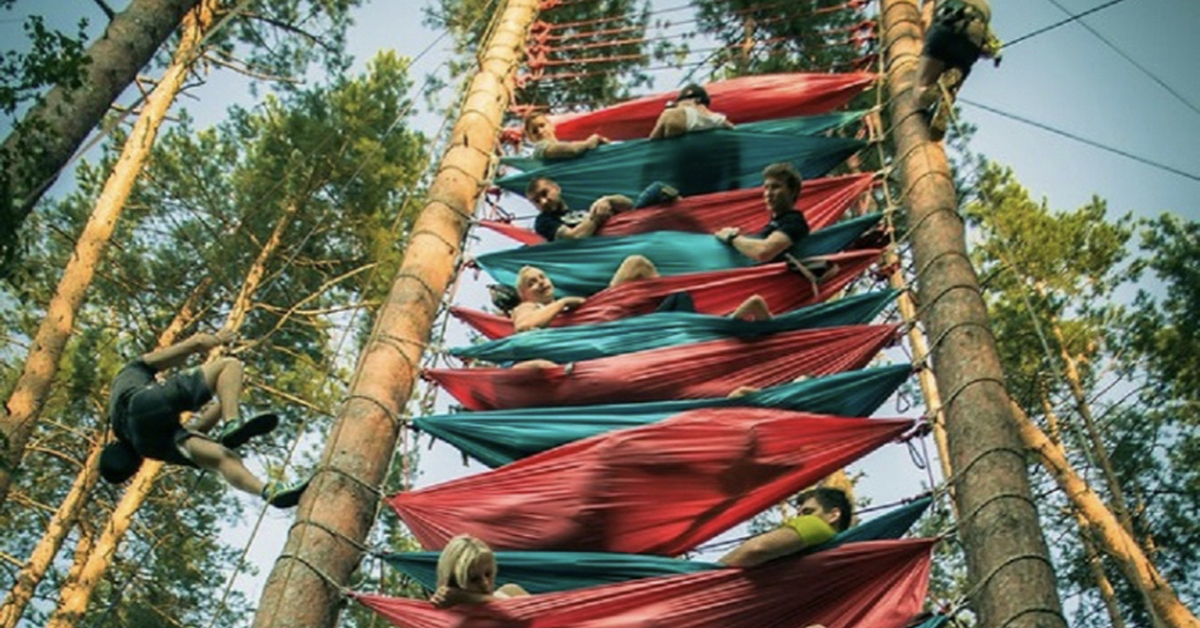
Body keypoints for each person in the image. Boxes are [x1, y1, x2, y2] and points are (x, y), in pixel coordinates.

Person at [99, 327, 310, 508]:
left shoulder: (147, 447)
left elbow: (198, 429)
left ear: (135, 465)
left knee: (221, 459)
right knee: (230, 365)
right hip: (142, 402)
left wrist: (226, 397)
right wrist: (217, 340)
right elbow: (194, 343)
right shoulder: (128, 374)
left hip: (149, 434)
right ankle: (232, 423)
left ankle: (269, 491)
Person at [504, 263, 771, 335]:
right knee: (636, 265)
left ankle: (722, 325)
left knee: (679, 299)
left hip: (602, 324)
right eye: (532, 282)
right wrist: (562, 304)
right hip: (595, 328)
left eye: (542, 277)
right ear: (523, 294)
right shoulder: (526, 307)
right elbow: (524, 327)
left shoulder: (554, 305)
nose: (541, 282)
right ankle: (721, 326)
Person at [915, 0, 1001, 140]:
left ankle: (933, 94)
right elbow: (991, 49)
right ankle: (947, 93)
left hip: (946, 27)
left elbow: (926, 19)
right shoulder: (984, 7)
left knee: (920, 89)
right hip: (974, 37)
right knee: (957, 71)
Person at [718, 487, 852, 567]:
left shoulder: (817, 525)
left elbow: (755, 549)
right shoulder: (846, 555)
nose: (801, 519)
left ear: (834, 515)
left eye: (808, 512)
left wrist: (710, 573)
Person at [525, 176, 678, 243]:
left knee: (661, 191)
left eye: (544, 194)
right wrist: (596, 217)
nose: (543, 202)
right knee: (657, 191)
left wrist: (607, 200)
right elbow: (574, 237)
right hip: (611, 243)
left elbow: (629, 206)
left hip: (628, 227)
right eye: (536, 201)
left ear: (556, 188)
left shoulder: (580, 210)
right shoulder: (544, 221)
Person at [713, 162, 810, 263]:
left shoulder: (794, 222)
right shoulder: (777, 222)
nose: (768, 193)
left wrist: (732, 238)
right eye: (766, 187)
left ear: (792, 191)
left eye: (775, 187)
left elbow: (763, 252)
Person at [430, 534, 530, 608]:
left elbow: (540, 617)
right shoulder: (450, 617)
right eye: (474, 579)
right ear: (454, 581)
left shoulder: (511, 592)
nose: (485, 583)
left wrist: (469, 598)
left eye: (488, 574)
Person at [649, 84, 735, 140]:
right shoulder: (719, 119)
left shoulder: (677, 111)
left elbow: (652, 143)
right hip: (708, 136)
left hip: (683, 118)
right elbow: (734, 132)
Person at [524, 111, 609, 160]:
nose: (540, 131)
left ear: (552, 126)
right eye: (534, 131)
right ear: (531, 138)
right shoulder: (540, 149)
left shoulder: (561, 144)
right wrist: (588, 143)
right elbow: (571, 150)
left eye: (542, 125)